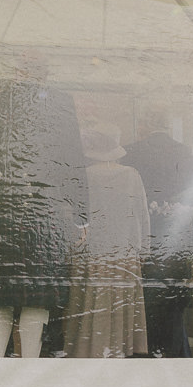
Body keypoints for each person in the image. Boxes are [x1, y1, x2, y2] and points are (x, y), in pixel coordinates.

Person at [0, 54, 89, 358]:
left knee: (0, 296)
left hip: (0, 211)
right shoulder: (61, 103)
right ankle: (27, 366)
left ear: (16, 70)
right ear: (45, 72)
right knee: (36, 296)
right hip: (45, 214)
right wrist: (81, 216)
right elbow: (74, 161)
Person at [63, 129, 150, 358]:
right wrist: (144, 249)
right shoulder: (131, 175)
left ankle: (86, 351)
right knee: (120, 305)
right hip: (124, 251)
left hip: (92, 253)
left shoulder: (84, 175)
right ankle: (119, 349)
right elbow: (142, 213)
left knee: (90, 305)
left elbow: (73, 216)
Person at [122, 109, 193, 357]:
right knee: (174, 297)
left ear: (144, 124)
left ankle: (145, 348)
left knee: (144, 295)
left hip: (141, 232)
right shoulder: (184, 153)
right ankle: (175, 351)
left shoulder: (131, 152)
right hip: (175, 234)